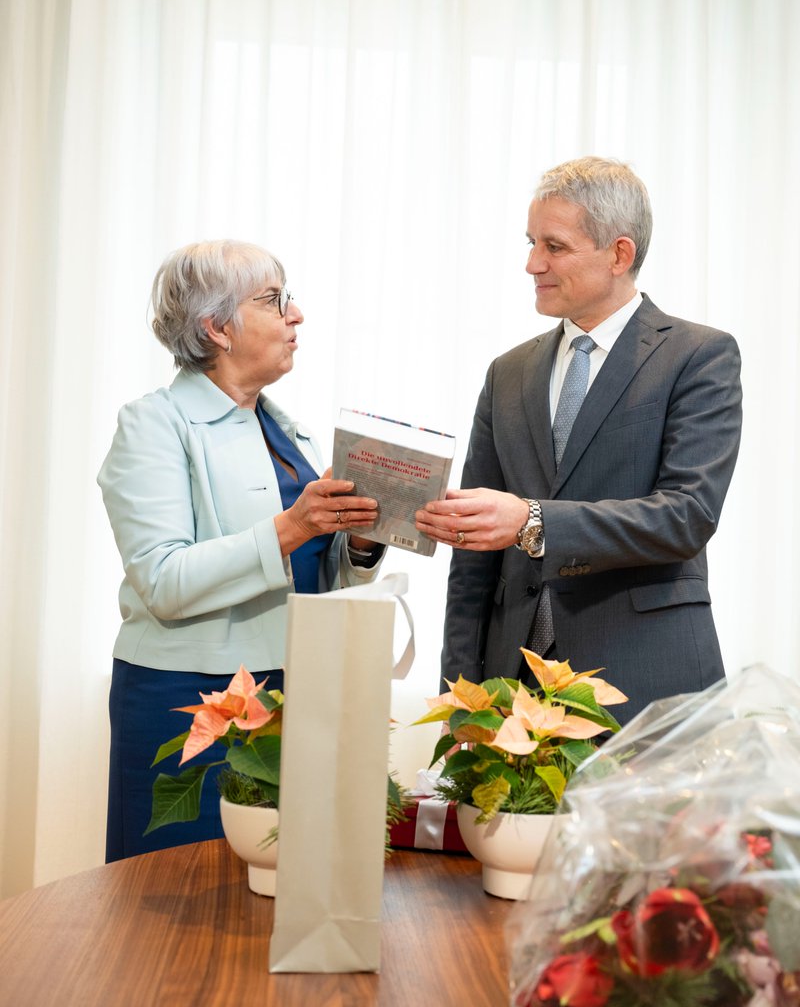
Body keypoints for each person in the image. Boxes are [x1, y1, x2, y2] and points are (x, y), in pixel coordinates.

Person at [416, 156, 742, 723]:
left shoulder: (698, 356)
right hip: (511, 692)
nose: (531, 263)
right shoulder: (507, 372)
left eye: (554, 246)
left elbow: (687, 515)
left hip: (645, 681)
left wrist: (533, 521)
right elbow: (474, 559)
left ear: (619, 254)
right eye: (530, 242)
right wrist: (461, 697)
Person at [98, 240, 383, 861]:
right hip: (189, 697)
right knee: (178, 900)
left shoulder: (288, 429)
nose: (296, 315)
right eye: (274, 300)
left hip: (292, 689)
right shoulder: (153, 424)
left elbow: (312, 572)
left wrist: (358, 541)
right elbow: (163, 580)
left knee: (274, 895)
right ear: (215, 327)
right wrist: (292, 526)